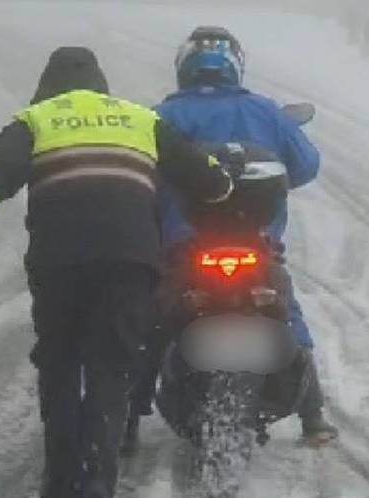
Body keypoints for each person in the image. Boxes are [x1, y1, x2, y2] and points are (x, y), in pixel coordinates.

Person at [0, 47, 233, 498]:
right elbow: (209, 178)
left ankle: (62, 485)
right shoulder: (140, 118)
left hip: (59, 263)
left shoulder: (35, 119)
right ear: (101, 84)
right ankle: (101, 480)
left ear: (47, 85)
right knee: (111, 367)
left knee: (60, 365)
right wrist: (219, 185)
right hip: (130, 261)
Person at [142, 26, 338, 446]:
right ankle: (314, 416)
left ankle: (125, 421)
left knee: (154, 319)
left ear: (184, 66)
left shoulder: (162, 116)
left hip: (183, 246)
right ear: (236, 65)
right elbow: (305, 168)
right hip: (257, 243)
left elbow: (142, 177)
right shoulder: (265, 112)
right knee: (286, 310)